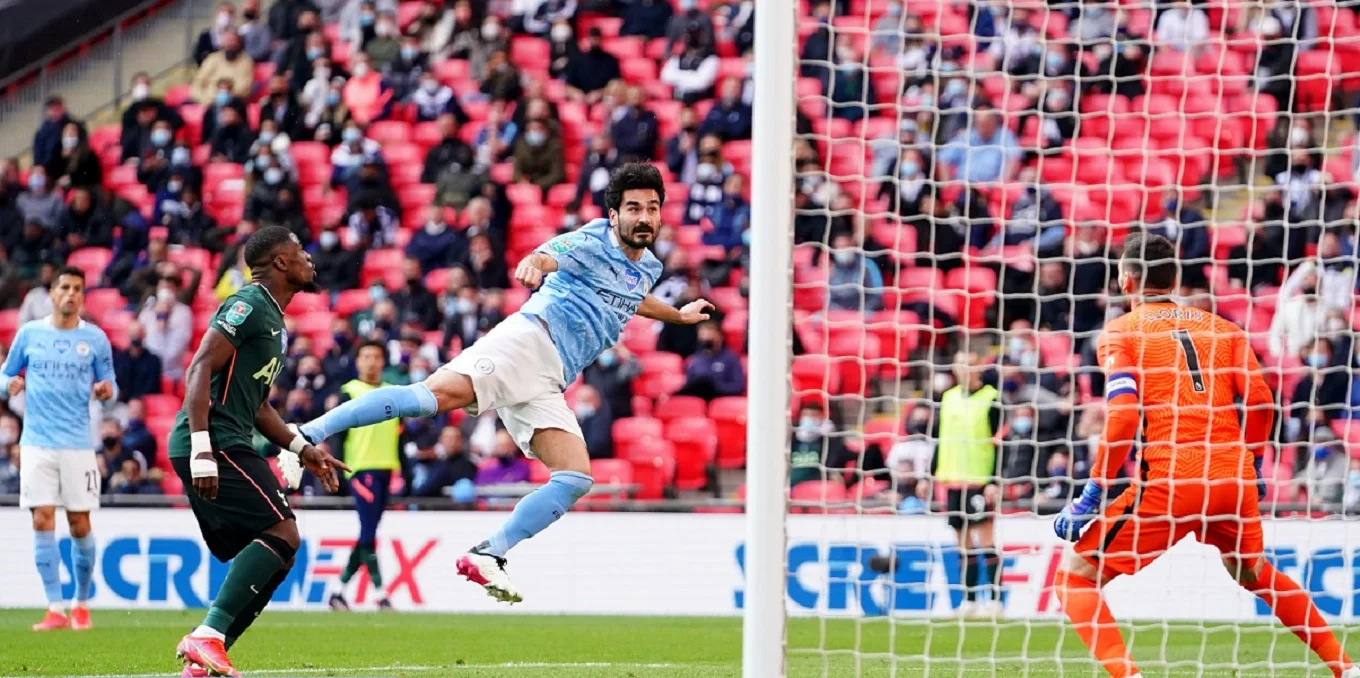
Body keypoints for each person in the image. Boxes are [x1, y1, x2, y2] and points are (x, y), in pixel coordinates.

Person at [296, 163, 712, 603]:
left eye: (652, 208)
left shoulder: (648, 267)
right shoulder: (592, 241)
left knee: (575, 477)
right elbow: (545, 256)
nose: (644, 217)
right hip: (528, 342)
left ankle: (489, 553)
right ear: (614, 215)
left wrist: (677, 315)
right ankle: (309, 432)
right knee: (430, 398)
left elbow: (633, 298)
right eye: (634, 208)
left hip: (551, 378)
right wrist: (533, 264)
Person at [1051, 234, 1358, 678]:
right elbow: (1262, 401)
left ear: (1126, 280)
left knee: (1075, 576)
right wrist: (1253, 463)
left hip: (1172, 478)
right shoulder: (1224, 329)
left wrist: (1094, 489)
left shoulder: (1121, 331)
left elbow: (1123, 414)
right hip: (1232, 479)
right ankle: (1346, 668)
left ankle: (1129, 675)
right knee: (1253, 573)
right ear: (1175, 278)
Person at [169, 226, 347, 677]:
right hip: (214, 438)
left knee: (282, 551)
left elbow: (259, 405)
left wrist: (302, 447)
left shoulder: (274, 319)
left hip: (228, 437)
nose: (309, 257)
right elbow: (199, 366)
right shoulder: (247, 305)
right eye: (300, 250)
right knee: (283, 531)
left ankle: (206, 658)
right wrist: (203, 449)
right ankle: (207, 636)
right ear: (281, 262)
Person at [1, 267, 118, 631]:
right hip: (36, 442)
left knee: (80, 523)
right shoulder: (30, 334)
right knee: (41, 519)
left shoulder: (95, 338)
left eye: (78, 289)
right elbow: (4, 375)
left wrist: (105, 391)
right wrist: (9, 385)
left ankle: (80, 602)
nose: (71, 293)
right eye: (65, 287)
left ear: (82, 296)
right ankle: (55, 607)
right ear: (52, 293)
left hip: (79, 445)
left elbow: (110, 385)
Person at [872, 351, 1003, 616]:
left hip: (979, 478)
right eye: (960, 365)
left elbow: (1000, 442)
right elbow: (941, 441)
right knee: (962, 542)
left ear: (979, 368)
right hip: (952, 478)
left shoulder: (992, 399)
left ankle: (994, 599)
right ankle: (969, 600)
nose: (964, 370)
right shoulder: (948, 398)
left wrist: (994, 480)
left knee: (985, 539)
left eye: (969, 365)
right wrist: (928, 476)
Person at [327, 341, 398, 612]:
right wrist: (338, 469)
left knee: (367, 533)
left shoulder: (393, 393)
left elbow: (400, 435)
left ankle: (338, 592)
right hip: (360, 469)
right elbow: (338, 434)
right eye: (366, 356)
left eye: (376, 356)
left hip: (386, 468)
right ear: (358, 361)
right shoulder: (348, 392)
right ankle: (381, 594)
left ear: (383, 361)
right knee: (368, 532)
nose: (371, 361)